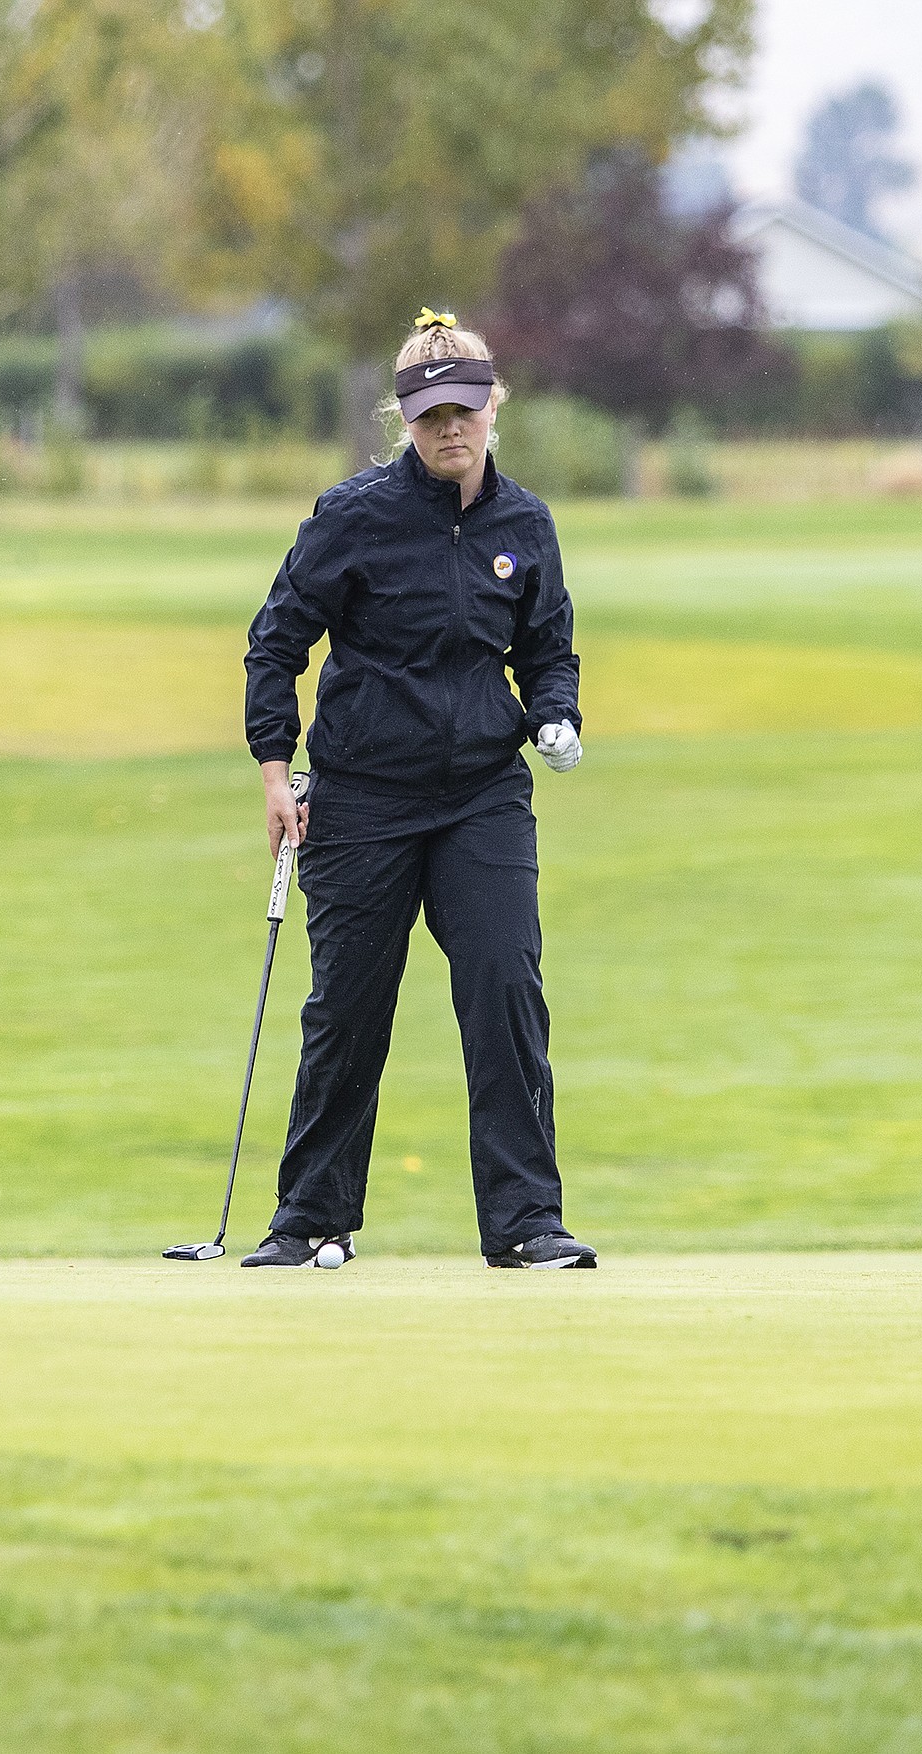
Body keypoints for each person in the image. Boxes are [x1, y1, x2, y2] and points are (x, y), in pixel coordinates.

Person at [241, 307, 596, 1269]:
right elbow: (276, 643)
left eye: (465, 411)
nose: (450, 429)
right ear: (404, 417)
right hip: (359, 797)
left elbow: (547, 648)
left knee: (504, 990)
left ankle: (527, 1224)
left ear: (493, 410)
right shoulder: (352, 516)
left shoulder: (523, 524)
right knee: (348, 1005)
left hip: (482, 792)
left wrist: (554, 711)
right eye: (431, 413)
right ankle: (312, 1218)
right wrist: (277, 771)